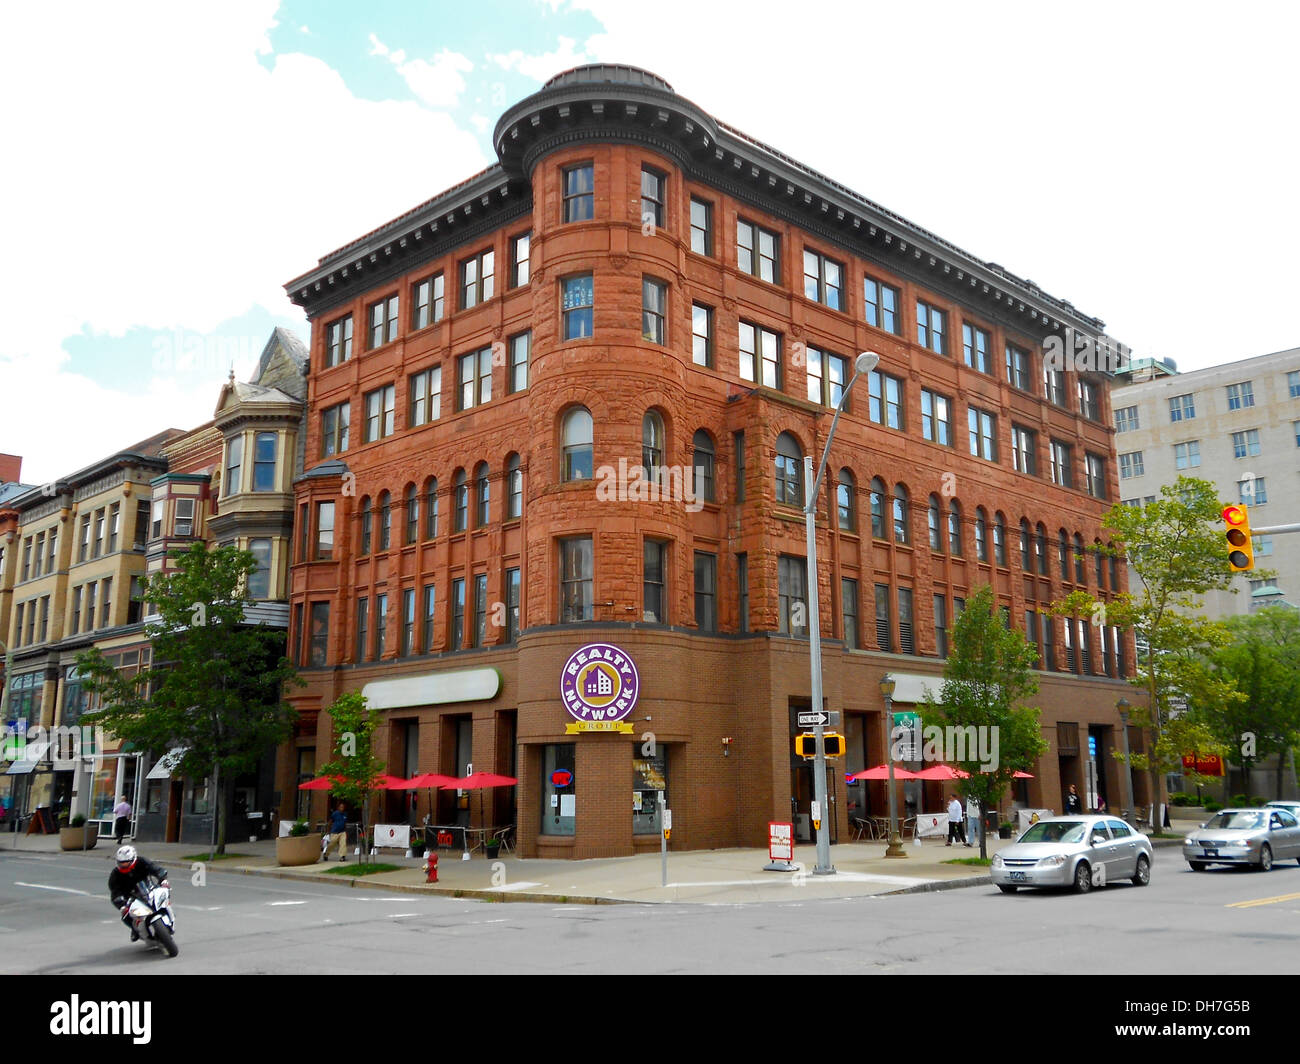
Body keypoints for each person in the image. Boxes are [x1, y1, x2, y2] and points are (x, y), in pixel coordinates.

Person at [108, 845, 169, 942]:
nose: (124, 865)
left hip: (148, 889)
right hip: (131, 898)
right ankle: (135, 930)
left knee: (165, 893)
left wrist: (162, 879)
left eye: (126, 862)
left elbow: (156, 869)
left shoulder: (142, 862)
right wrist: (122, 905)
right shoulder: (115, 874)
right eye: (121, 863)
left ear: (133, 859)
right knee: (125, 916)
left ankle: (167, 913)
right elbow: (115, 892)